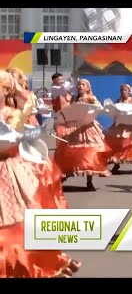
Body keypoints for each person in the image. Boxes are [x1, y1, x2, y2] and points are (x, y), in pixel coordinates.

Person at [0, 70, 80, 278]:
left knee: (21, 221)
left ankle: (29, 265)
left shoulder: (12, 113)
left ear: (5, 90)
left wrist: (16, 86)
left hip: (9, 168)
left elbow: (12, 135)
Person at [54, 79, 112, 191]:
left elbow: (98, 107)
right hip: (76, 128)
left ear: (87, 87)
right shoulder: (74, 99)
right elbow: (70, 112)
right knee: (73, 152)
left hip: (89, 127)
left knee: (89, 151)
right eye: (79, 84)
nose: (80, 86)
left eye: (83, 84)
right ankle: (67, 174)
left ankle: (89, 180)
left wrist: (91, 108)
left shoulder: (91, 98)